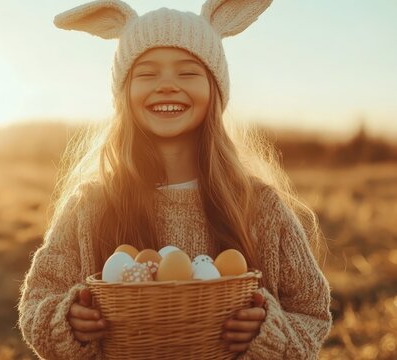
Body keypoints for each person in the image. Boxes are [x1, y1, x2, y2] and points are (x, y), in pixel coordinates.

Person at [17, 0, 332, 359]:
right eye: (147, 74)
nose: (167, 85)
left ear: (215, 90)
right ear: (124, 95)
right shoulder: (90, 206)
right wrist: (67, 319)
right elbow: (37, 302)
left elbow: (311, 312)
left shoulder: (259, 206)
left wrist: (270, 333)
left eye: (187, 73)